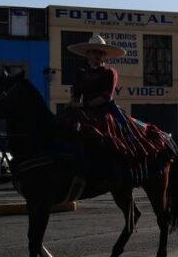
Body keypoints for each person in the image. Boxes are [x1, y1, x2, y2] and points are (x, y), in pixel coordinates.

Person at [63, 35, 171, 180]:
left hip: (104, 110)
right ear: (87, 54)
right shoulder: (81, 73)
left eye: (100, 52)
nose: (97, 55)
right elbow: (76, 92)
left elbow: (106, 96)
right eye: (94, 52)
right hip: (83, 110)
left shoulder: (109, 73)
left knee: (114, 133)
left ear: (104, 56)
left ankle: (120, 167)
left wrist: (83, 104)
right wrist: (74, 102)